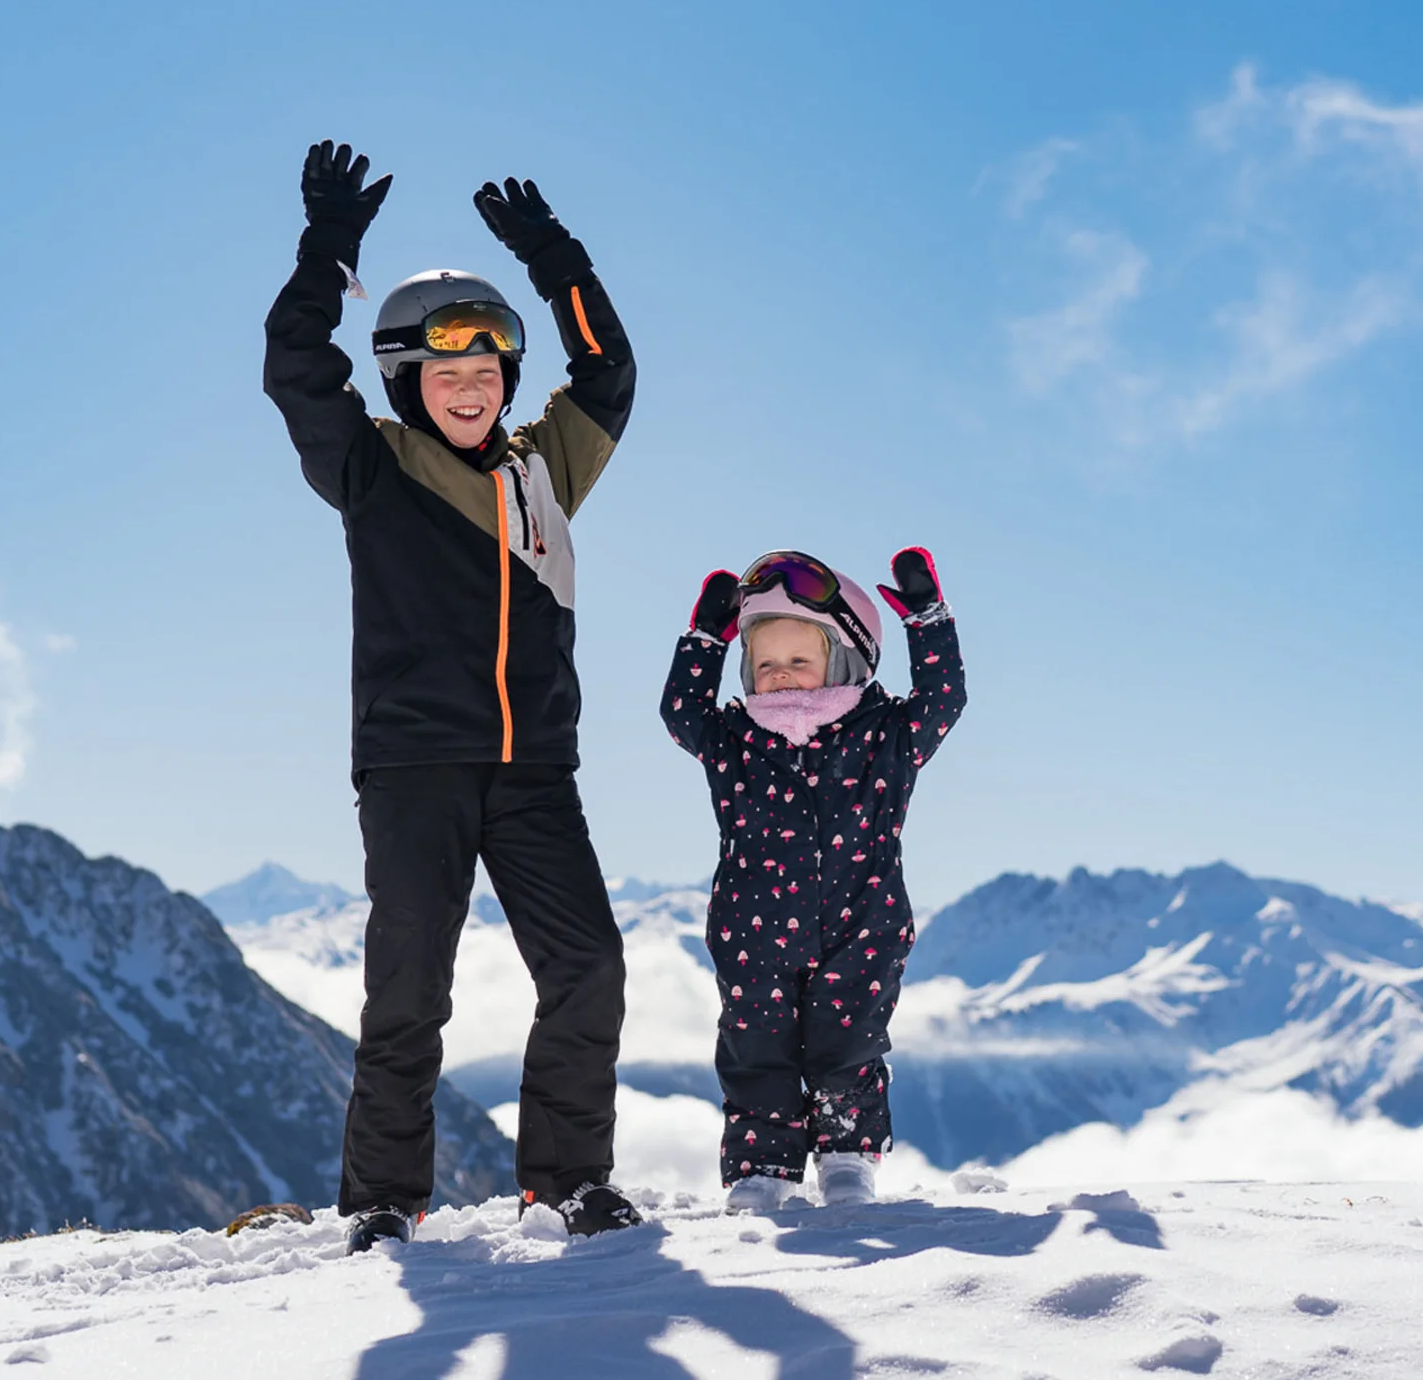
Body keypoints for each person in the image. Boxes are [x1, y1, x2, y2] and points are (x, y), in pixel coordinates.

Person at [263, 139, 641, 1252]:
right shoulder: (370, 470)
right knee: (410, 990)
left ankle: (567, 1182)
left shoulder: (548, 468)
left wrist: (553, 259)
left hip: (536, 772)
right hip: (416, 766)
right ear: (405, 383)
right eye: (446, 375)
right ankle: (385, 1199)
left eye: (486, 375)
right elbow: (296, 366)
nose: (471, 389)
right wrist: (328, 249)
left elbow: (609, 368)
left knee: (590, 969)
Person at [660, 549, 965, 1210]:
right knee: (755, 1049)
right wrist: (704, 640)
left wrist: (929, 622)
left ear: (847, 659)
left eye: (799, 659)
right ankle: (760, 1169)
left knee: (849, 1046)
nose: (779, 676)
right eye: (763, 662)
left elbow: (944, 699)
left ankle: (847, 1158)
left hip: (863, 926)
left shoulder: (886, 734)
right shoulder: (735, 739)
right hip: (753, 933)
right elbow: (681, 712)